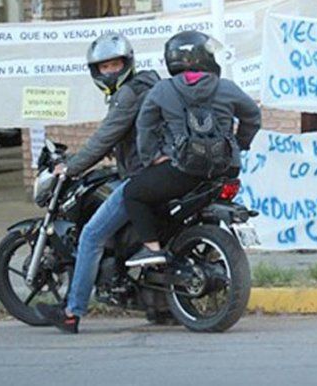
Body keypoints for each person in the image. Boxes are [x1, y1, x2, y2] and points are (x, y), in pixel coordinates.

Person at [36, 33, 160, 334]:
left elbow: (105, 137)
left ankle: (71, 312)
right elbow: (122, 137)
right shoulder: (149, 85)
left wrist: (71, 167)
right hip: (157, 173)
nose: (111, 71)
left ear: (127, 63)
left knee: (91, 235)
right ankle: (162, 306)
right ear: (96, 71)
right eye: (105, 67)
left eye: (115, 64)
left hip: (140, 177)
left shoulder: (127, 95)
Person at [123, 30, 261, 268]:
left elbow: (145, 126)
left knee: (133, 192)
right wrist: (239, 145)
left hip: (184, 171)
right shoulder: (227, 87)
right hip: (226, 169)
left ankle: (152, 249)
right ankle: (209, 250)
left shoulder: (162, 90)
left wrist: (152, 157)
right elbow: (253, 117)